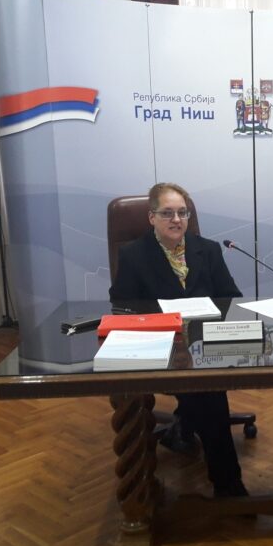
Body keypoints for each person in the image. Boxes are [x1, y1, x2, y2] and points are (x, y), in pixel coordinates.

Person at [109, 182, 247, 497]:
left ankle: (188, 430)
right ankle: (228, 483)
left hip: (203, 343)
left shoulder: (207, 250)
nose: (176, 220)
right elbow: (122, 306)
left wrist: (210, 318)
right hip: (160, 346)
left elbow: (230, 297)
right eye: (167, 213)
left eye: (182, 213)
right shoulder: (133, 255)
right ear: (151, 217)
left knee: (204, 387)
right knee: (208, 394)